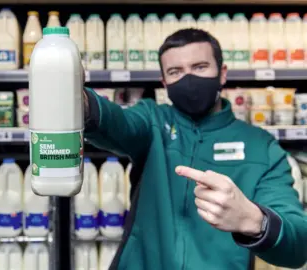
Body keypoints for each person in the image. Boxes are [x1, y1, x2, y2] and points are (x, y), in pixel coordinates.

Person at [83, 28, 307, 270]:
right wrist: (81, 102)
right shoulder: (152, 122)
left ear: (222, 74)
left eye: (200, 67)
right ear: (164, 82)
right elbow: (117, 123)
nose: (188, 79)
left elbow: (297, 247)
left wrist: (254, 220)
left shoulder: (261, 147)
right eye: (175, 71)